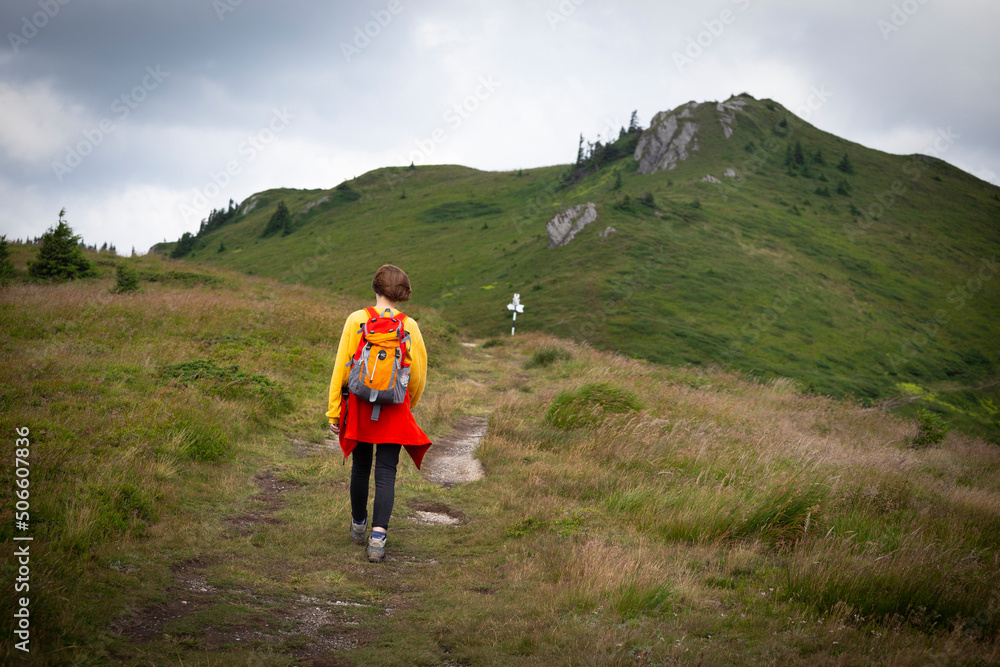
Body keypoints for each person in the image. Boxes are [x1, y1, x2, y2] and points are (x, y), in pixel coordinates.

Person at [327, 264, 432, 562]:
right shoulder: (409, 325)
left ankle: (358, 525)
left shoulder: (356, 319)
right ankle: (377, 539)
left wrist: (335, 410)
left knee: (361, 468)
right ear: (402, 293)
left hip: (360, 405)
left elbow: (341, 368)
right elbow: (419, 374)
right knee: (387, 473)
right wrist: (407, 403)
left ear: (375, 288)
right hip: (394, 407)